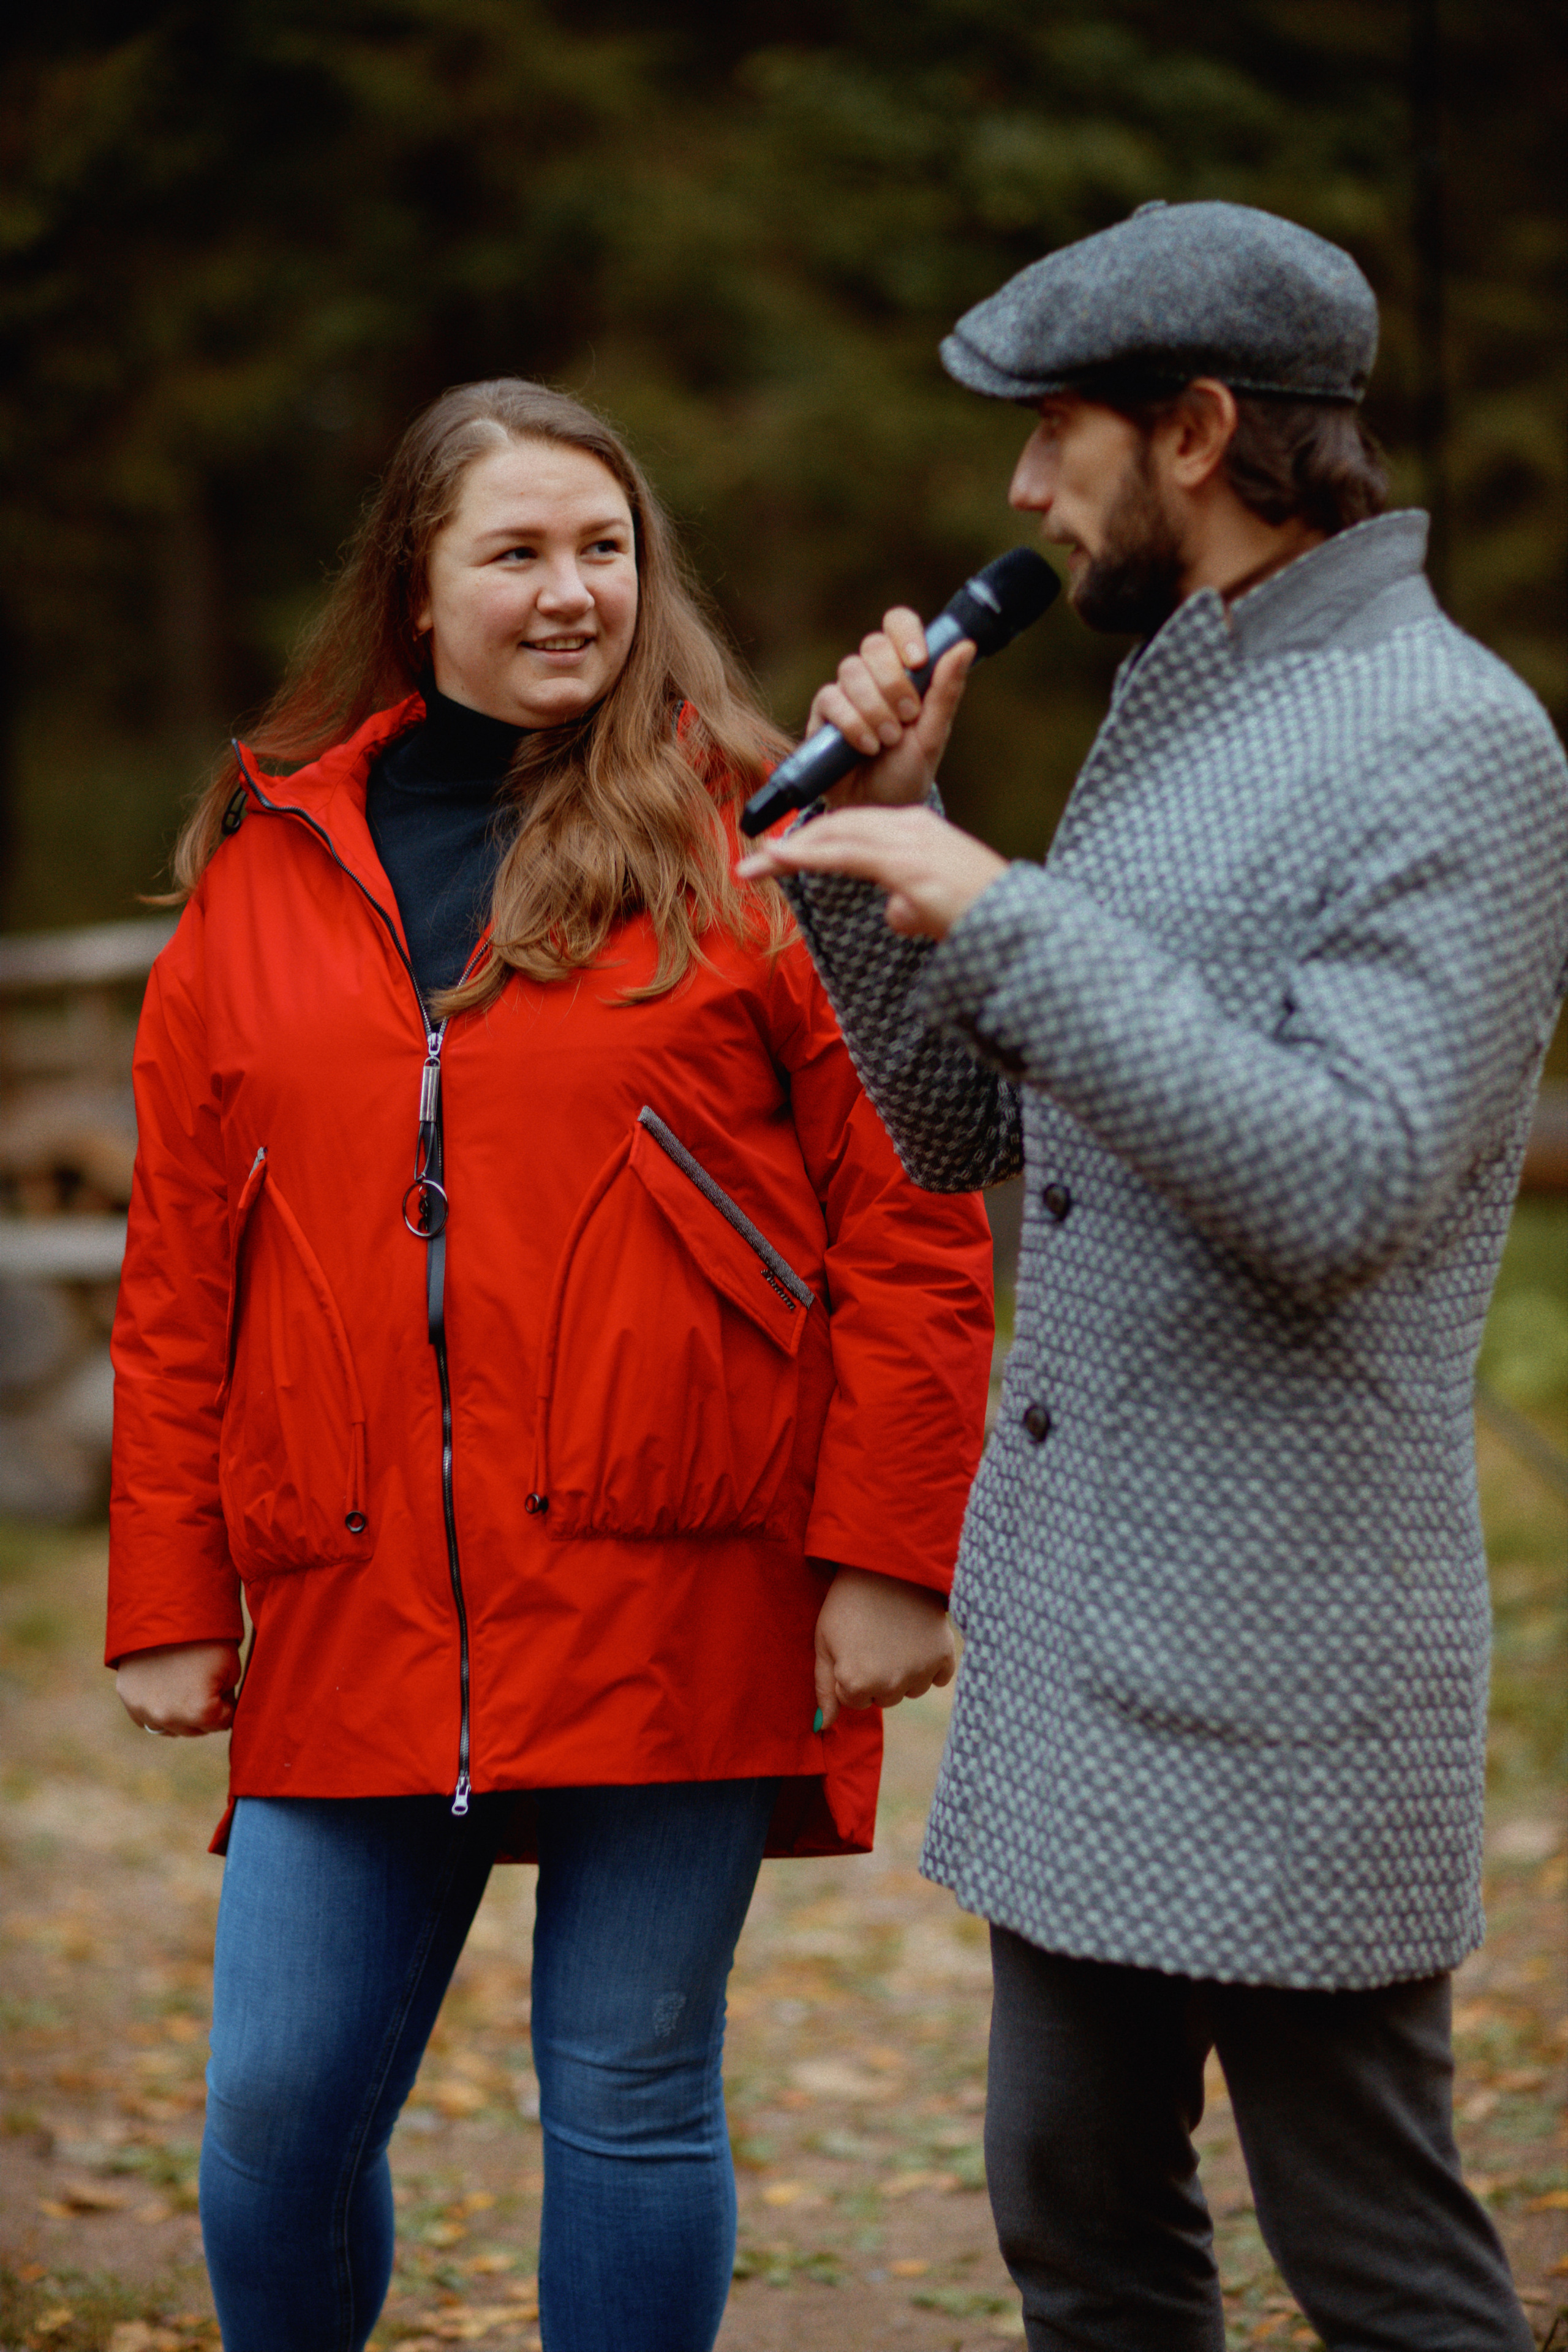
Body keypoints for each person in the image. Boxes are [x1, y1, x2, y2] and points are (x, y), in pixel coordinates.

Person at [740, 201, 1568, 2347]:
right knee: (1078, 2226)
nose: (1025, 489)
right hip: (1084, 1641)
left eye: (1058, 433)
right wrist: (897, 842)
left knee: (1377, 2261)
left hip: (1291, 1663)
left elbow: (1353, 1183)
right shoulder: (1179, 701)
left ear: (1198, 431)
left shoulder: (1453, 735)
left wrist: (1004, 911)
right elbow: (972, 1131)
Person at [106, 378, 995, 2352]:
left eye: (607, 548)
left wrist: (892, 1550)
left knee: (631, 2093)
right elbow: (180, 1268)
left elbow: (913, 1220)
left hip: (679, 1579)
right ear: (414, 591)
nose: (574, 590)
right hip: (351, 1586)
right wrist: (167, 1589)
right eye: (516, 551)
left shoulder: (764, 832)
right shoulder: (269, 862)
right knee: (274, 2114)